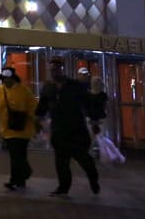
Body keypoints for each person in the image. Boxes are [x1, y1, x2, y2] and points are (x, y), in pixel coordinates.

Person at [36, 58, 100, 197]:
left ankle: (93, 179)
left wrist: (94, 121)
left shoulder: (75, 86)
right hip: (59, 129)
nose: (54, 72)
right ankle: (63, 187)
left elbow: (87, 103)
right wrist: (38, 122)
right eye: (52, 69)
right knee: (61, 161)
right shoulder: (48, 87)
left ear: (63, 69)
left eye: (57, 69)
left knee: (83, 158)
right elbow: (42, 106)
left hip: (76, 129)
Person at [0, 66, 37, 190]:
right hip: (7, 129)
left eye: (8, 78)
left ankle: (16, 179)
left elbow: (32, 107)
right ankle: (22, 178)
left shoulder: (24, 91)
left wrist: (37, 121)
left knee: (17, 155)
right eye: (4, 79)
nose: (6, 81)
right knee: (17, 155)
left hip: (23, 129)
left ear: (13, 78)